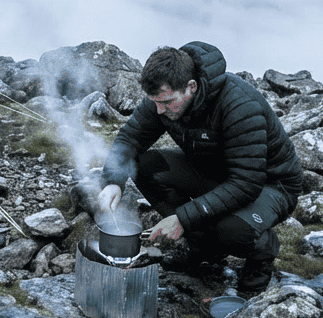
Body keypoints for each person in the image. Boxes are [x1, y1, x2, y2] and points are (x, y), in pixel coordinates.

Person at [97, 42, 303, 295]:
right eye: (155, 103)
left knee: (231, 231)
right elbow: (130, 138)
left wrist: (183, 217)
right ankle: (204, 247)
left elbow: (246, 183)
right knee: (143, 165)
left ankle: (261, 256)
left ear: (191, 87)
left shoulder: (239, 105)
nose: (159, 110)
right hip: (217, 173)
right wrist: (112, 181)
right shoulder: (165, 96)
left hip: (270, 184)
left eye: (167, 102)